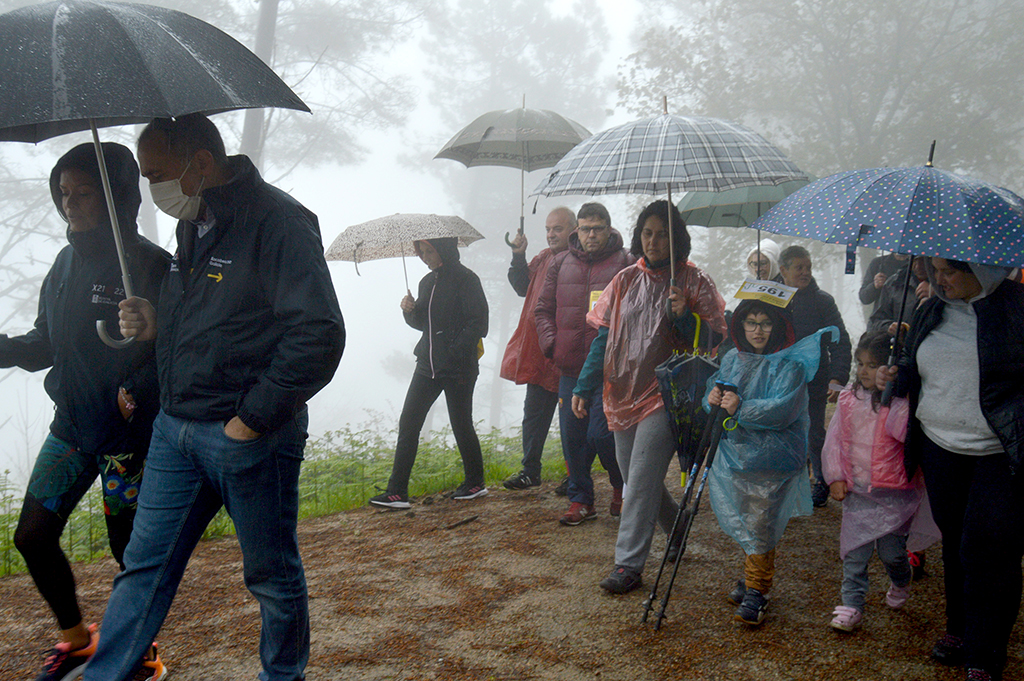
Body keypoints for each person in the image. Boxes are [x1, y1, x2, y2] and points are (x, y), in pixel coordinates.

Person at [84, 114, 345, 681]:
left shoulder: (279, 221)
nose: (151, 188)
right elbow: (215, 317)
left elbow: (319, 333)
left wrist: (251, 420)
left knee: (270, 576)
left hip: (246, 435)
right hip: (174, 429)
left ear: (200, 163)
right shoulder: (193, 222)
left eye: (156, 174)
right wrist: (156, 323)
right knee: (142, 568)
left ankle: (282, 676)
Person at [3, 143, 169, 681]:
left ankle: (140, 651)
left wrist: (136, 388)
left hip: (126, 438)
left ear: (116, 195)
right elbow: (45, 344)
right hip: (71, 429)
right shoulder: (65, 262)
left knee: (129, 552)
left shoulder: (151, 265)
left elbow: (176, 352)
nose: (69, 204)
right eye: (63, 193)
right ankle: (77, 642)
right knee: (31, 536)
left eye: (84, 192)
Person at [877, 257, 1024, 681]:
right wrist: (895, 374)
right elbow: (916, 368)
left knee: (990, 550)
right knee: (957, 543)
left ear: (982, 266)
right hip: (941, 448)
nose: (939, 280)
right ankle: (959, 628)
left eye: (950, 271)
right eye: (934, 269)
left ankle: (985, 652)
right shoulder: (931, 309)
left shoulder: (1017, 308)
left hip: (1001, 451)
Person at [574, 200, 726, 593]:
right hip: (621, 390)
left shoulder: (694, 281)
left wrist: (685, 316)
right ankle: (677, 526)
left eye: (662, 234)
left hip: (669, 394)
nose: (653, 241)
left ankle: (628, 564)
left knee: (640, 479)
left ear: (677, 239)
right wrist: (583, 385)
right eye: (647, 233)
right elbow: (603, 338)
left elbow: (715, 339)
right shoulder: (624, 280)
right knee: (634, 475)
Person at [704, 298, 836, 626]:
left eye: (765, 323)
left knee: (761, 522)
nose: (758, 330)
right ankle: (752, 576)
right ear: (740, 325)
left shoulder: (790, 365)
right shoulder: (733, 359)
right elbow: (718, 393)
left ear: (777, 326)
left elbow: (781, 410)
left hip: (774, 459)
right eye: (751, 322)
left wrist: (740, 407)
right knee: (747, 519)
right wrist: (713, 398)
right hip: (737, 456)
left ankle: (758, 590)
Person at [822, 331, 938, 633]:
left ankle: (901, 579)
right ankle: (851, 605)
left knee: (892, 554)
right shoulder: (848, 399)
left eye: (873, 365)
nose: (864, 371)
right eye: (860, 363)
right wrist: (835, 475)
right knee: (855, 552)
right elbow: (835, 440)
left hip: (893, 493)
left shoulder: (901, 401)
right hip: (858, 489)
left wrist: (898, 398)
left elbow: (905, 435)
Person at [369, 237, 489, 508]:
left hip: (459, 368)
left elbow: (479, 323)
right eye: (421, 252)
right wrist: (409, 311)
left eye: (428, 251)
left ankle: (475, 483)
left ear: (443, 249)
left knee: (461, 424)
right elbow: (423, 324)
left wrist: (455, 351)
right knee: (409, 422)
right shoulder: (426, 282)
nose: (424, 257)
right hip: (427, 366)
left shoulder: (467, 280)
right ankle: (397, 492)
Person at [535, 202, 630, 525]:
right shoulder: (560, 262)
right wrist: (552, 343)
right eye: (586, 229)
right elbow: (542, 309)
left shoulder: (626, 262)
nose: (591, 235)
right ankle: (581, 500)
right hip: (570, 367)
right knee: (573, 439)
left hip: (610, 370)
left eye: (597, 229)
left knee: (603, 435)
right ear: (577, 230)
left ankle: (619, 486)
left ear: (608, 229)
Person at [500, 208, 574, 490]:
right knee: (533, 414)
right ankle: (530, 471)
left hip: (567, 353)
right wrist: (518, 255)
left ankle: (575, 474)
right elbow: (522, 286)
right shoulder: (543, 257)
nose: (551, 234)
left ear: (573, 230)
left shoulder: (579, 261)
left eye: (558, 229)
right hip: (539, 352)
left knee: (571, 417)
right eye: (548, 229)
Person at [778, 245, 852, 507]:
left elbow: (840, 341)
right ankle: (787, 481)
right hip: (779, 380)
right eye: (799, 267)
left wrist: (837, 377)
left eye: (808, 267)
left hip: (815, 379)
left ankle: (820, 481)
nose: (805, 272)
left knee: (813, 432)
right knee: (782, 430)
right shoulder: (771, 299)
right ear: (783, 270)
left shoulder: (822, 301)